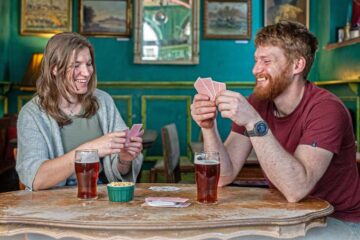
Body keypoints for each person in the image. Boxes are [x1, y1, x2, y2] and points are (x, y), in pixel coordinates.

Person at [191, 21, 360, 238]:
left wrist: (253, 121)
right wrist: (208, 126)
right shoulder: (259, 103)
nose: (255, 70)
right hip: (288, 216)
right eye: (255, 61)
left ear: (297, 65)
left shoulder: (327, 109)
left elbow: (295, 189)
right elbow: (224, 176)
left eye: (266, 61)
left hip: (337, 220)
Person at [16, 32, 143, 191]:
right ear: (55, 68)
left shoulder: (103, 101)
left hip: (100, 199)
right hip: (53, 206)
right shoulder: (32, 114)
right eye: (76, 65)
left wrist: (124, 160)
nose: (87, 72)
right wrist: (90, 150)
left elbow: (120, 174)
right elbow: (36, 179)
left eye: (89, 64)